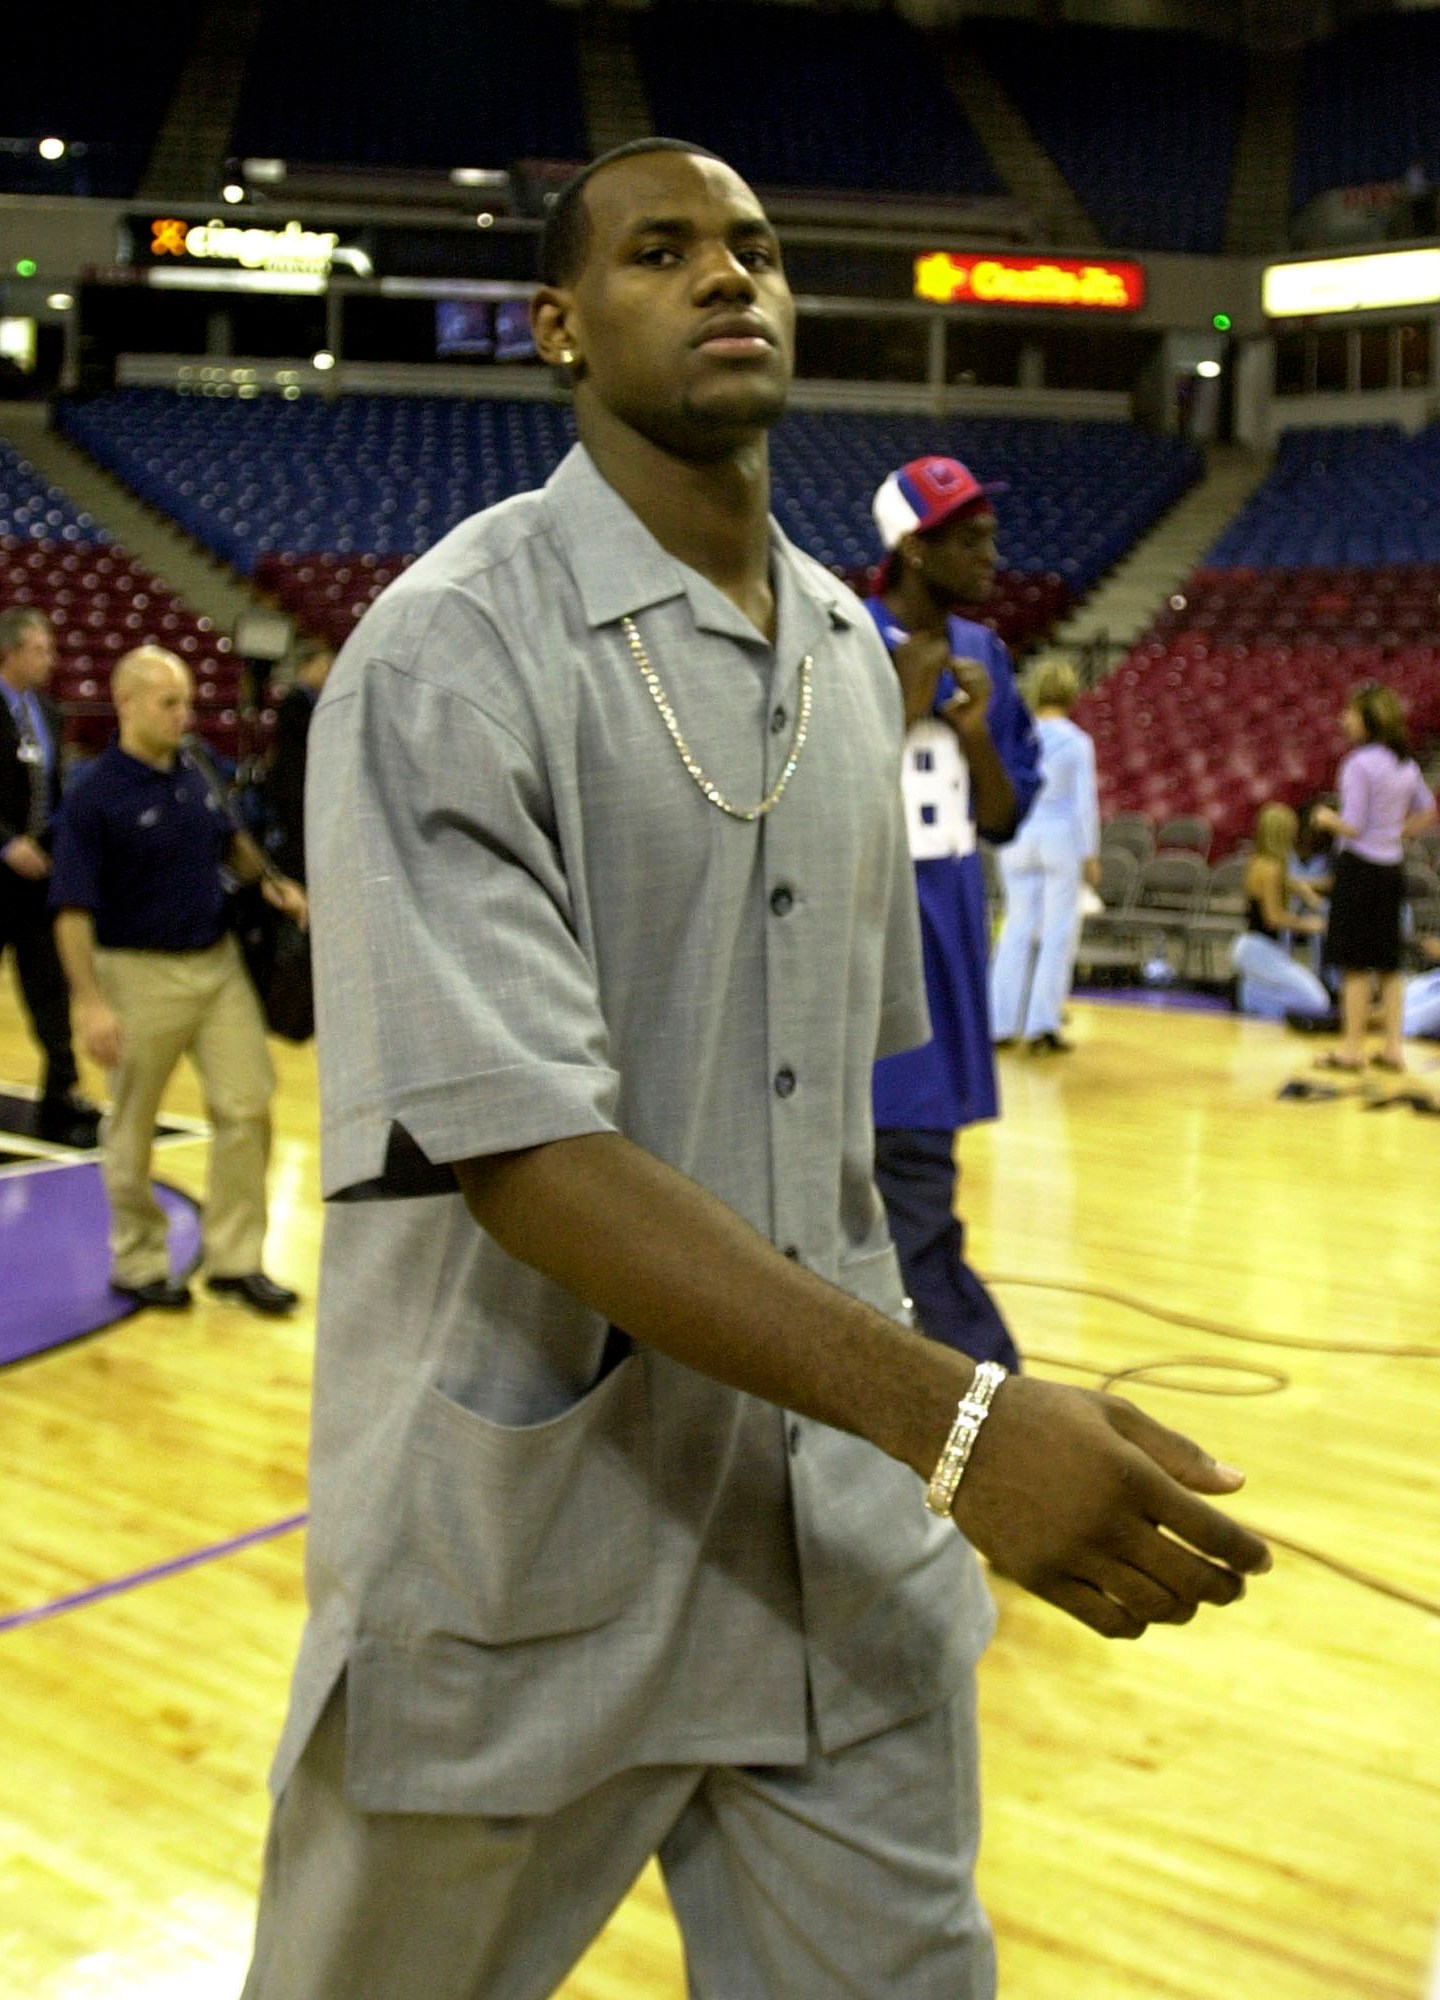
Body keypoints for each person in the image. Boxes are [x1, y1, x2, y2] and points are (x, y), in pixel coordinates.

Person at [239, 139, 1270, 2000]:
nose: (731, 277)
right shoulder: (446, 656)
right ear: (558, 324)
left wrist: (910, 1445)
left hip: (838, 1547)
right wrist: (958, 1418)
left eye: (759, 249)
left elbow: (827, 1144)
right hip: (538, 1539)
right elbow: (530, 1157)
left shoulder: (855, 662)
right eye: (662, 252)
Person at [49, 646, 307, 1313]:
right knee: (132, 1125)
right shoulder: (94, 795)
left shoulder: (197, 766)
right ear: (126, 702)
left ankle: (235, 1259)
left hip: (216, 965)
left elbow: (232, 839)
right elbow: (71, 910)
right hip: (136, 973)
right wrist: (89, 1003)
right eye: (168, 702)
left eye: (187, 700)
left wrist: (272, 883)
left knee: (247, 1104)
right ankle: (137, 1260)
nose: (183, 714)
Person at [863, 453, 1040, 1372]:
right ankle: (998, 1401)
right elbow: (811, 799)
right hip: (857, 962)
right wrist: (899, 699)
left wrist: (974, 738)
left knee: (914, 1202)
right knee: (908, 1213)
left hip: (944, 964)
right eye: (967, 539)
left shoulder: (988, 656)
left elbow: (1004, 818)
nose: (991, 554)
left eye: (990, 534)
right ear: (912, 548)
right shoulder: (839, 640)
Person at [0, 606, 101, 1145]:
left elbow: (56, 791)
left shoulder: (51, 712)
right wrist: (5, 842)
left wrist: (59, 846)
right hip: (1, 865)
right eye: (39, 649)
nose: (51, 659)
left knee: (49, 983)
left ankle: (62, 1087)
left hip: (38, 872)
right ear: (10, 651)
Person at [1311, 681, 1436, 1073]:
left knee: (1353, 964)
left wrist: (1324, 818)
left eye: (1349, 712)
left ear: (1366, 719)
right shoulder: (1406, 764)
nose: (1343, 718)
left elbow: (1353, 824)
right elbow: (1428, 809)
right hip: (1390, 869)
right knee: (1388, 964)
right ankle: (1393, 1048)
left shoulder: (1358, 764)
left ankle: (1351, 1050)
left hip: (1359, 870)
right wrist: (1400, 833)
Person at [988, 656, 1100, 1053]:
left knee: (1016, 928)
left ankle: (1000, 1023)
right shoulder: (1077, 741)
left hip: (1018, 837)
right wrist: (1091, 854)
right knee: (1057, 934)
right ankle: (1042, 1025)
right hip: (1059, 839)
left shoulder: (1019, 735)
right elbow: (1083, 803)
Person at [1229, 802, 1332, 1023]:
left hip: (1250, 946)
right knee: (1317, 1002)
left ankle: (1252, 998)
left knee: (1273, 994)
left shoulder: (1258, 862)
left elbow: (1291, 884)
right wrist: (1308, 924)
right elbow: (1273, 918)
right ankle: (1256, 1001)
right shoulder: (1272, 868)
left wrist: (1305, 889)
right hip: (1260, 948)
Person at [262, 633, 334, 883]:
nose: (328, 673)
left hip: (306, 784)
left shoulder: (315, 701)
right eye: (323, 666)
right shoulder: (294, 702)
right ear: (307, 667)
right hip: (292, 785)